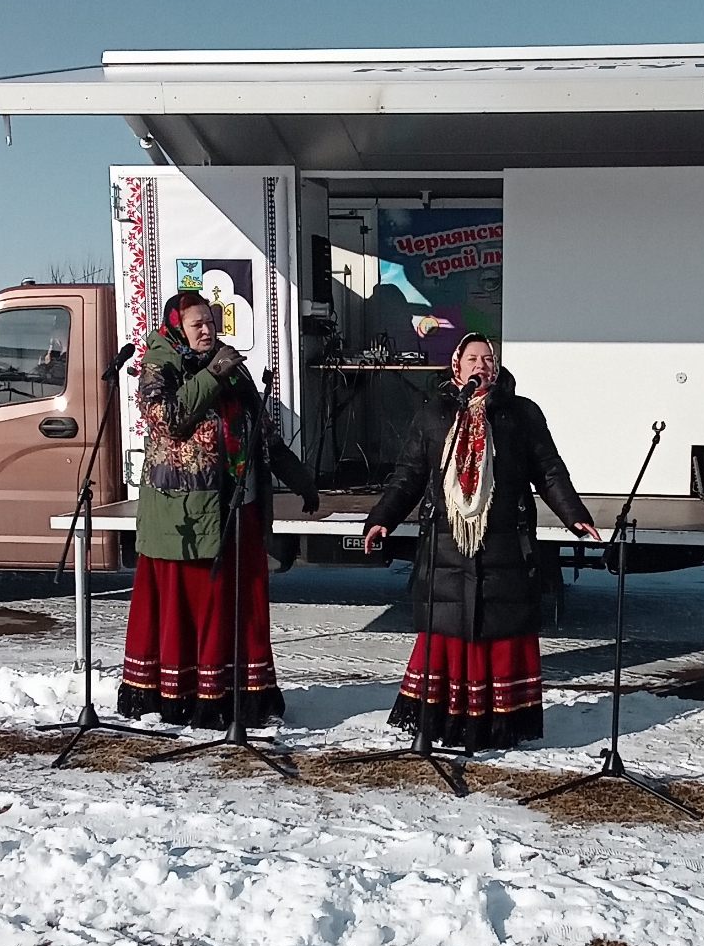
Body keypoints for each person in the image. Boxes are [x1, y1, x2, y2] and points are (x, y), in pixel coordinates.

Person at [362, 333, 601, 750]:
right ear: (457, 365)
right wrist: (382, 518)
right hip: (446, 542)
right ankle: (443, 721)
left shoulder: (521, 414)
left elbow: (548, 471)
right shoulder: (434, 414)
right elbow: (409, 476)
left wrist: (574, 515)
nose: (481, 365)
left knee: (500, 629)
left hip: (504, 539)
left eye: (488, 358)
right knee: (449, 628)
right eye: (472, 357)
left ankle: (500, 725)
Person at [117, 291, 319, 728]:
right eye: (198, 324)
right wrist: (211, 374)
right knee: (194, 608)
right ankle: (186, 696)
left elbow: (262, 428)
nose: (208, 330)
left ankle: (240, 696)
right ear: (177, 328)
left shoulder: (228, 367)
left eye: (211, 322)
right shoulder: (159, 367)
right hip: (186, 516)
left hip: (238, 508)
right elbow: (169, 421)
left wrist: (301, 479)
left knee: (238, 606)